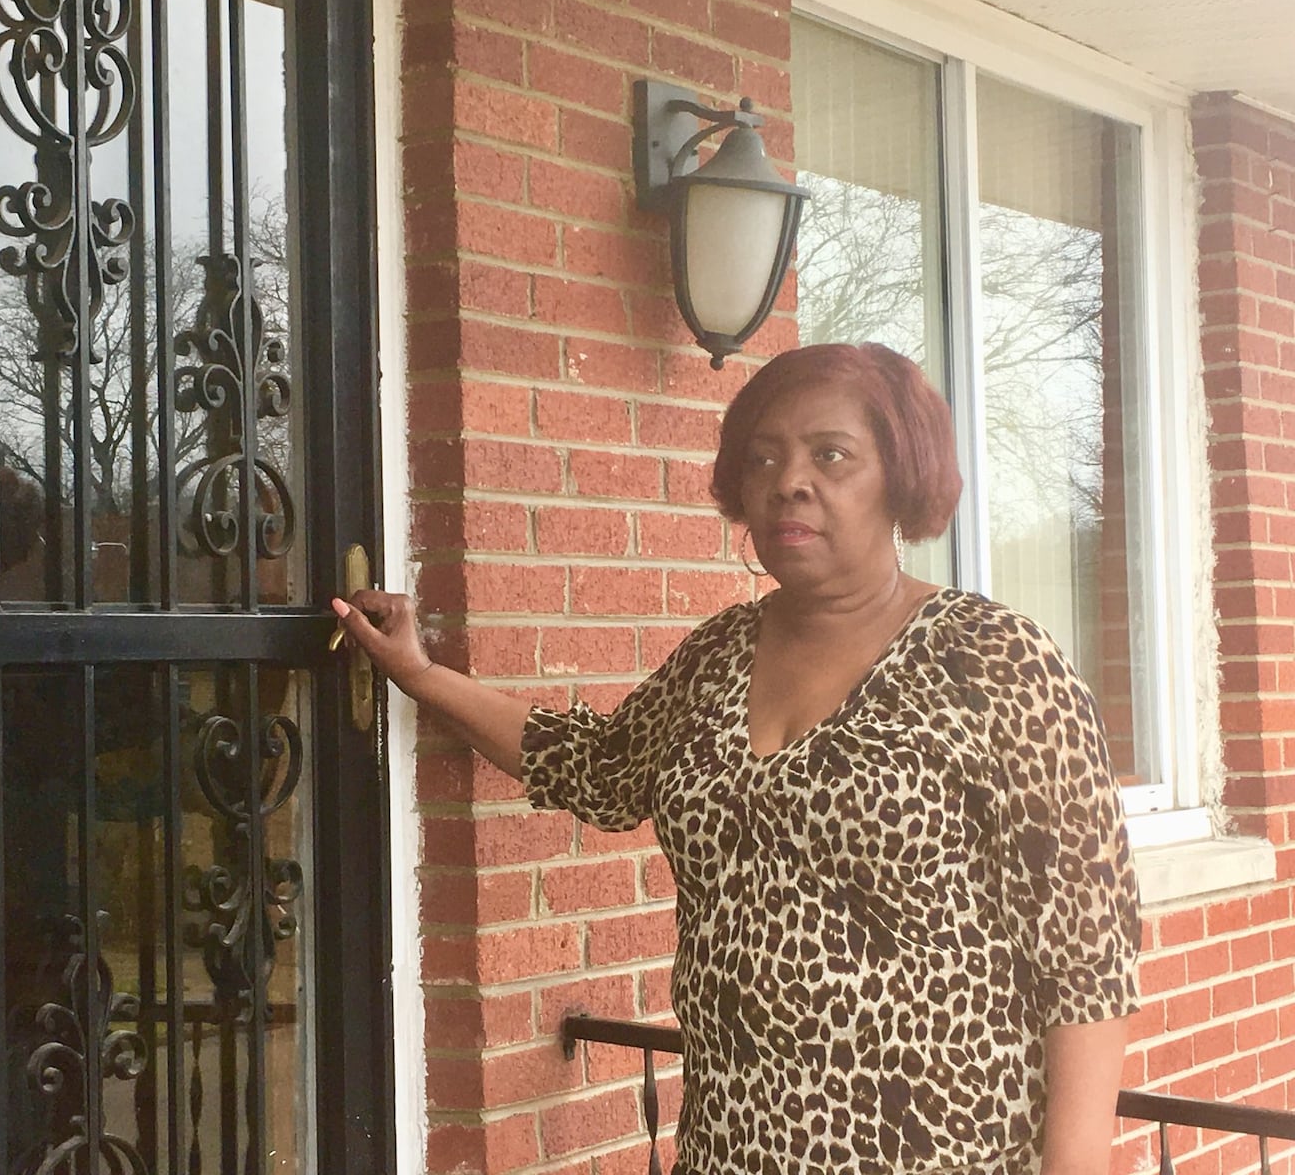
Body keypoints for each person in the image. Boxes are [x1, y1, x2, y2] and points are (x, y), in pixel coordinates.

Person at [333, 343, 1141, 1175]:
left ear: (899, 477)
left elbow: (1085, 954)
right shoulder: (718, 654)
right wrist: (421, 676)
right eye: (763, 456)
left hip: (939, 1150)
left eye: (831, 455)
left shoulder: (997, 661)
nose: (790, 480)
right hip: (731, 1148)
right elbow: (597, 769)